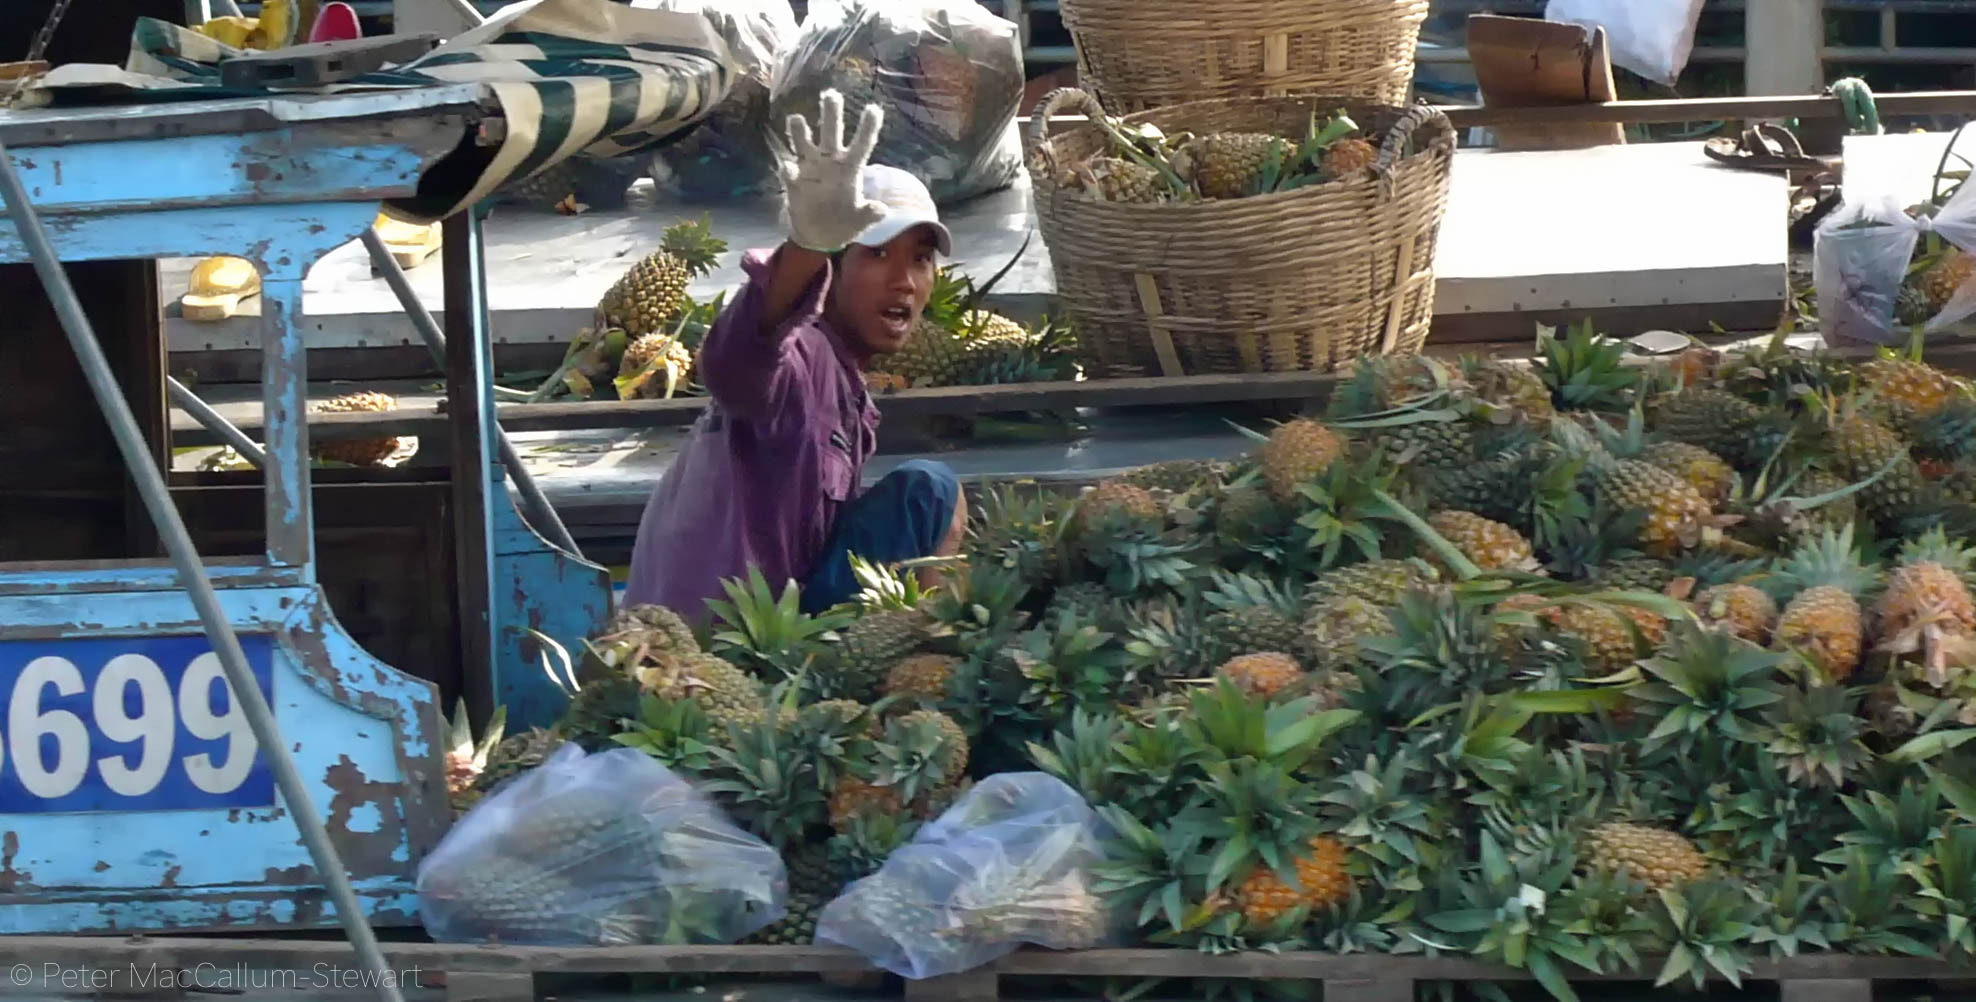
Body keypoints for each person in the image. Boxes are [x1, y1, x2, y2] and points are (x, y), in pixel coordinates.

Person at [623, 91, 968, 622]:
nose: (904, 281)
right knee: (930, 490)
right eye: (876, 254)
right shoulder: (803, 357)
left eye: (920, 260)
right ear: (829, 269)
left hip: (780, 611)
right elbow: (736, 363)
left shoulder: (848, 387)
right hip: (712, 649)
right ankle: (939, 659)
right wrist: (806, 244)